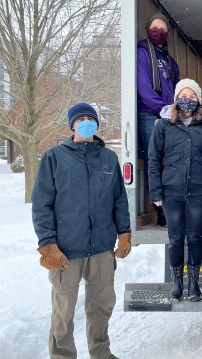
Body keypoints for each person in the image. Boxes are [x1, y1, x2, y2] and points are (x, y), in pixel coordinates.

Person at [32, 102, 131, 359]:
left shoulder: (108, 158)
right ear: (72, 124)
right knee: (63, 311)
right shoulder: (55, 157)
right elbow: (42, 204)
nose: (87, 122)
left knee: (101, 306)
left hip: (101, 249)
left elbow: (119, 199)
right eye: (81, 118)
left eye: (91, 118)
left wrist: (124, 234)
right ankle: (62, 356)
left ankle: (101, 353)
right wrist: (48, 245)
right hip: (65, 250)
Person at [148, 79, 202, 301]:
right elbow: (153, 160)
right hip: (171, 191)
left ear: (198, 100)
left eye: (192, 97)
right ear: (176, 98)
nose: (187, 100)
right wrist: (156, 193)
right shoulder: (163, 125)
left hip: (197, 192)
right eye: (183, 96)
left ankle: (194, 284)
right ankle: (177, 283)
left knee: (195, 237)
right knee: (176, 238)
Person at [137, 12, 180, 227]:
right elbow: (143, 87)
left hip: (171, 116)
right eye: (155, 27)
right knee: (154, 161)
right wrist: (161, 108)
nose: (159, 32)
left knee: (171, 161)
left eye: (163, 29)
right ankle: (160, 209)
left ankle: (173, 205)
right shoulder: (142, 54)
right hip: (150, 115)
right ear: (147, 30)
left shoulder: (170, 61)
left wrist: (177, 110)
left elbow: (179, 89)